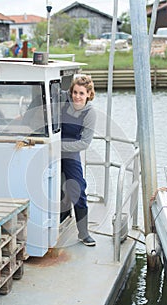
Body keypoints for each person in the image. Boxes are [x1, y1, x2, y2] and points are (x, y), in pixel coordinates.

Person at [61, 75, 97, 246]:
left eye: (81, 93)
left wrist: (58, 147)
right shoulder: (63, 101)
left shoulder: (90, 113)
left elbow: (84, 143)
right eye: (75, 92)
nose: (77, 96)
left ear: (89, 94)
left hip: (70, 149)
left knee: (78, 188)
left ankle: (83, 233)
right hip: (49, 148)